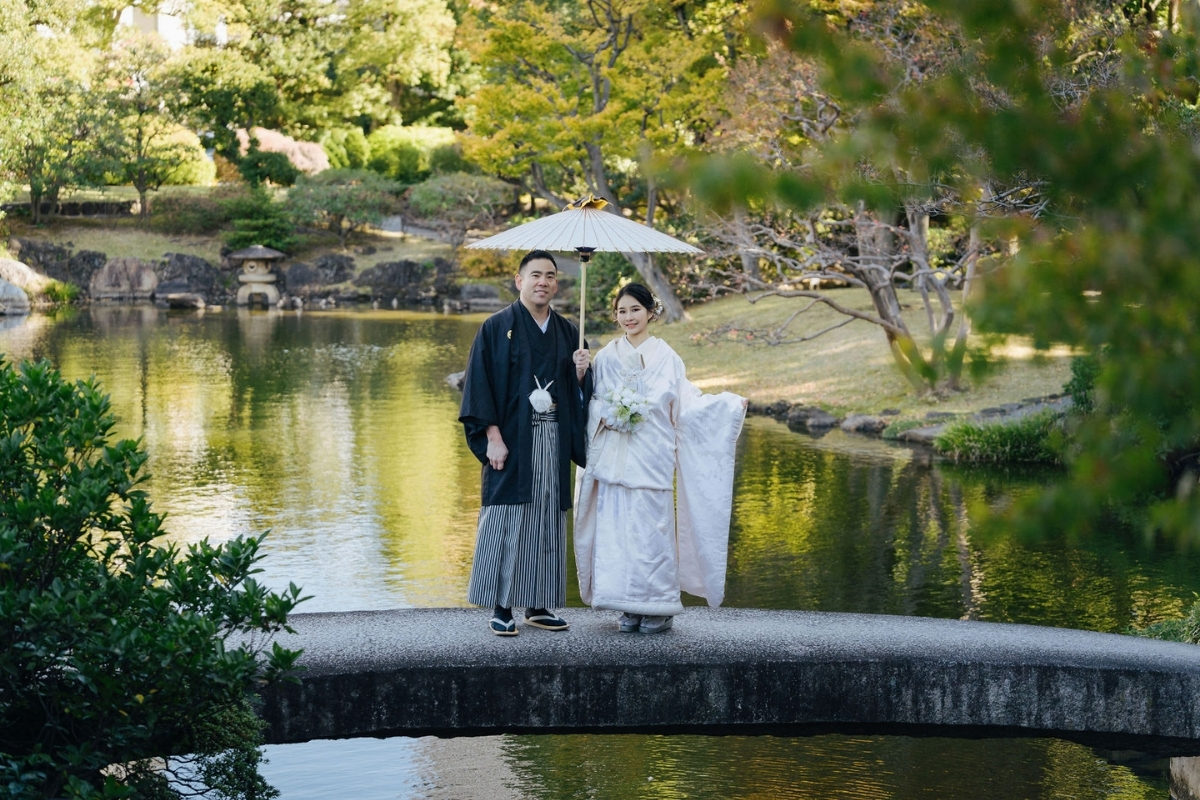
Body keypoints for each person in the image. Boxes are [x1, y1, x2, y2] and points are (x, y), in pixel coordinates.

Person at [573, 283, 747, 634]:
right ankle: (626, 604)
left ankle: (658, 606)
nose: (628, 317)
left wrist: (727, 406)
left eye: (635, 309)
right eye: (621, 311)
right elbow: (590, 402)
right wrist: (582, 378)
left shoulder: (668, 357)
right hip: (613, 458)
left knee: (651, 533)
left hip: (651, 457)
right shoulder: (605, 356)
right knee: (616, 532)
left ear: (651, 311)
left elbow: (686, 405)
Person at [459, 249, 593, 636]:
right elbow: (479, 386)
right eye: (535, 275)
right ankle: (502, 605)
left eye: (550, 276)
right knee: (507, 518)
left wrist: (582, 374)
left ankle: (537, 604)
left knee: (546, 519)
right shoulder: (496, 326)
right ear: (519, 281)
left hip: (552, 436)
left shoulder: (569, 331)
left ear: (557, 283)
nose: (543, 282)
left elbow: (579, 394)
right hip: (512, 437)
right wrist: (492, 437)